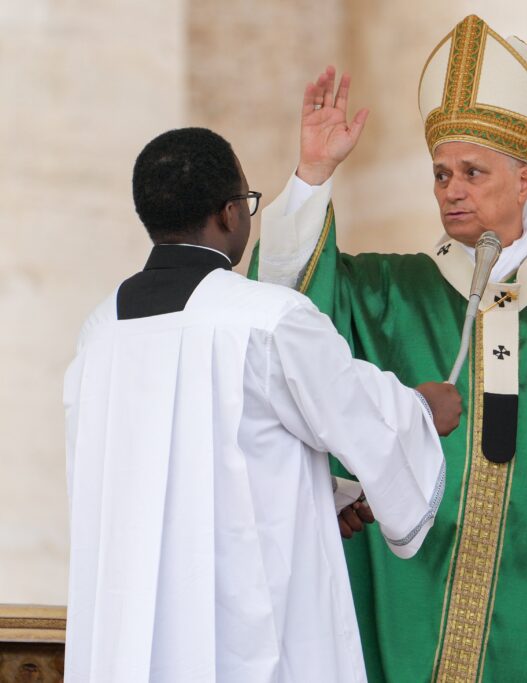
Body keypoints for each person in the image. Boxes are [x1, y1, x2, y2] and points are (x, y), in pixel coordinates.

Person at [251, 15, 527, 682]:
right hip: (412, 599)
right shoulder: (389, 293)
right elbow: (285, 315)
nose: (452, 188)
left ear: (522, 180)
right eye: (440, 173)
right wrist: (313, 176)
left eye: (473, 171)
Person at [63, 127, 462, 683]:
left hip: (134, 629)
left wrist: (323, 495)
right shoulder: (266, 320)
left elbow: (172, 468)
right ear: (229, 213)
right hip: (242, 633)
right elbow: (358, 417)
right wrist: (422, 408)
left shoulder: (100, 331)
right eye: (250, 202)